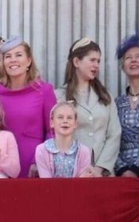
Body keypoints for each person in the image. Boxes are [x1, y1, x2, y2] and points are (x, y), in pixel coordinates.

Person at [54, 38, 120, 177]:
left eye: (98, 61)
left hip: (103, 175)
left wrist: (100, 168)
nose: (96, 65)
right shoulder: (59, 96)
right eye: (92, 60)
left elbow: (114, 134)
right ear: (76, 62)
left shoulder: (105, 96)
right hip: (72, 173)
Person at [0, 35, 57, 178]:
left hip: (33, 165)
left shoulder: (44, 90)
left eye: (18, 55)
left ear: (28, 60)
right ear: (3, 63)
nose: (13, 60)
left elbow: (52, 131)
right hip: (2, 164)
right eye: (8, 56)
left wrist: (39, 160)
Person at [35, 101, 93, 178]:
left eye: (69, 118)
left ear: (75, 124)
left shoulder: (83, 151)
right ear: (52, 122)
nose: (65, 121)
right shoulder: (42, 150)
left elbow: (82, 184)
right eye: (60, 117)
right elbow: (46, 183)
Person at [115, 33, 139, 177]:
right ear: (123, 66)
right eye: (128, 58)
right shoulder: (116, 103)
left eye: (138, 56)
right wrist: (123, 169)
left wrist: (136, 169)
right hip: (122, 175)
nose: (134, 60)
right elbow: (111, 139)